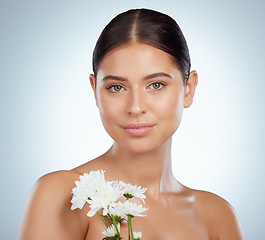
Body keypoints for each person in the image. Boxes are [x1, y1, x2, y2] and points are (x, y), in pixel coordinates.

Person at [18, 8, 244, 240]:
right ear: (95, 91)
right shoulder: (64, 196)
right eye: (117, 87)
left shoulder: (218, 215)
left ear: (189, 89)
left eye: (156, 85)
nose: (135, 107)